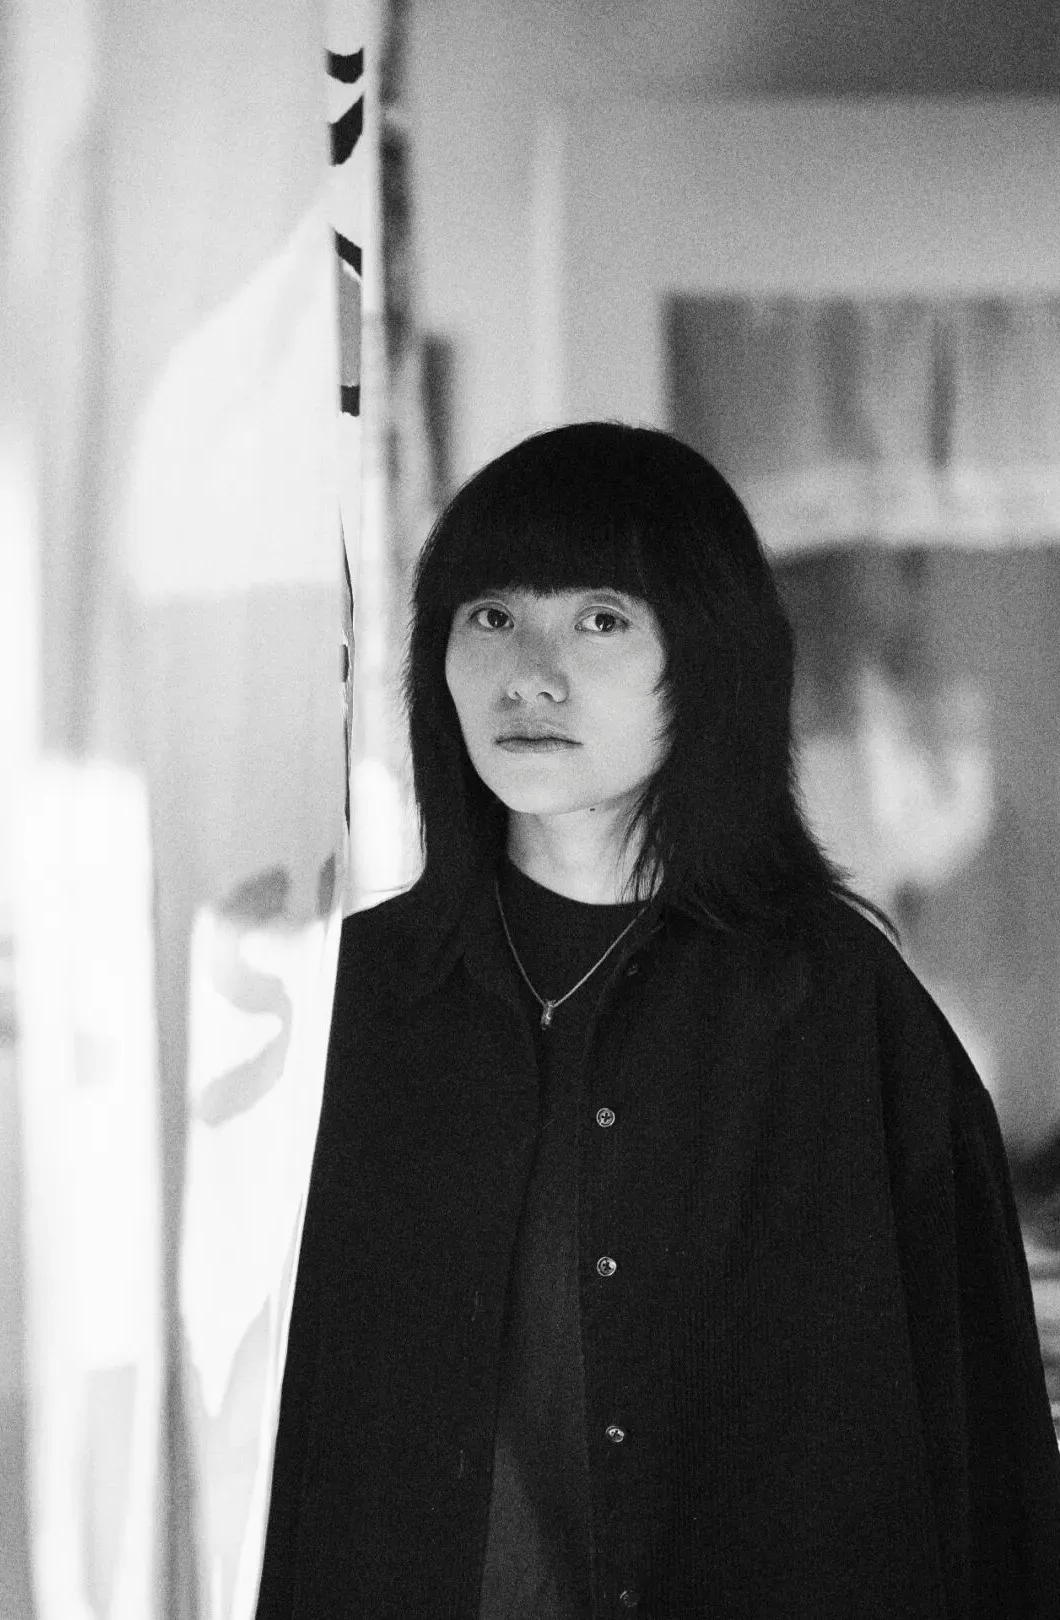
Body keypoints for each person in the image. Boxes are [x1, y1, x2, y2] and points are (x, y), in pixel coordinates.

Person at [255, 422, 1060, 1619]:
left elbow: (980, 1450)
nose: (531, 673)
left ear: (709, 658)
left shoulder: (838, 1006)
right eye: (491, 616)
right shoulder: (351, 997)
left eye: (600, 619)